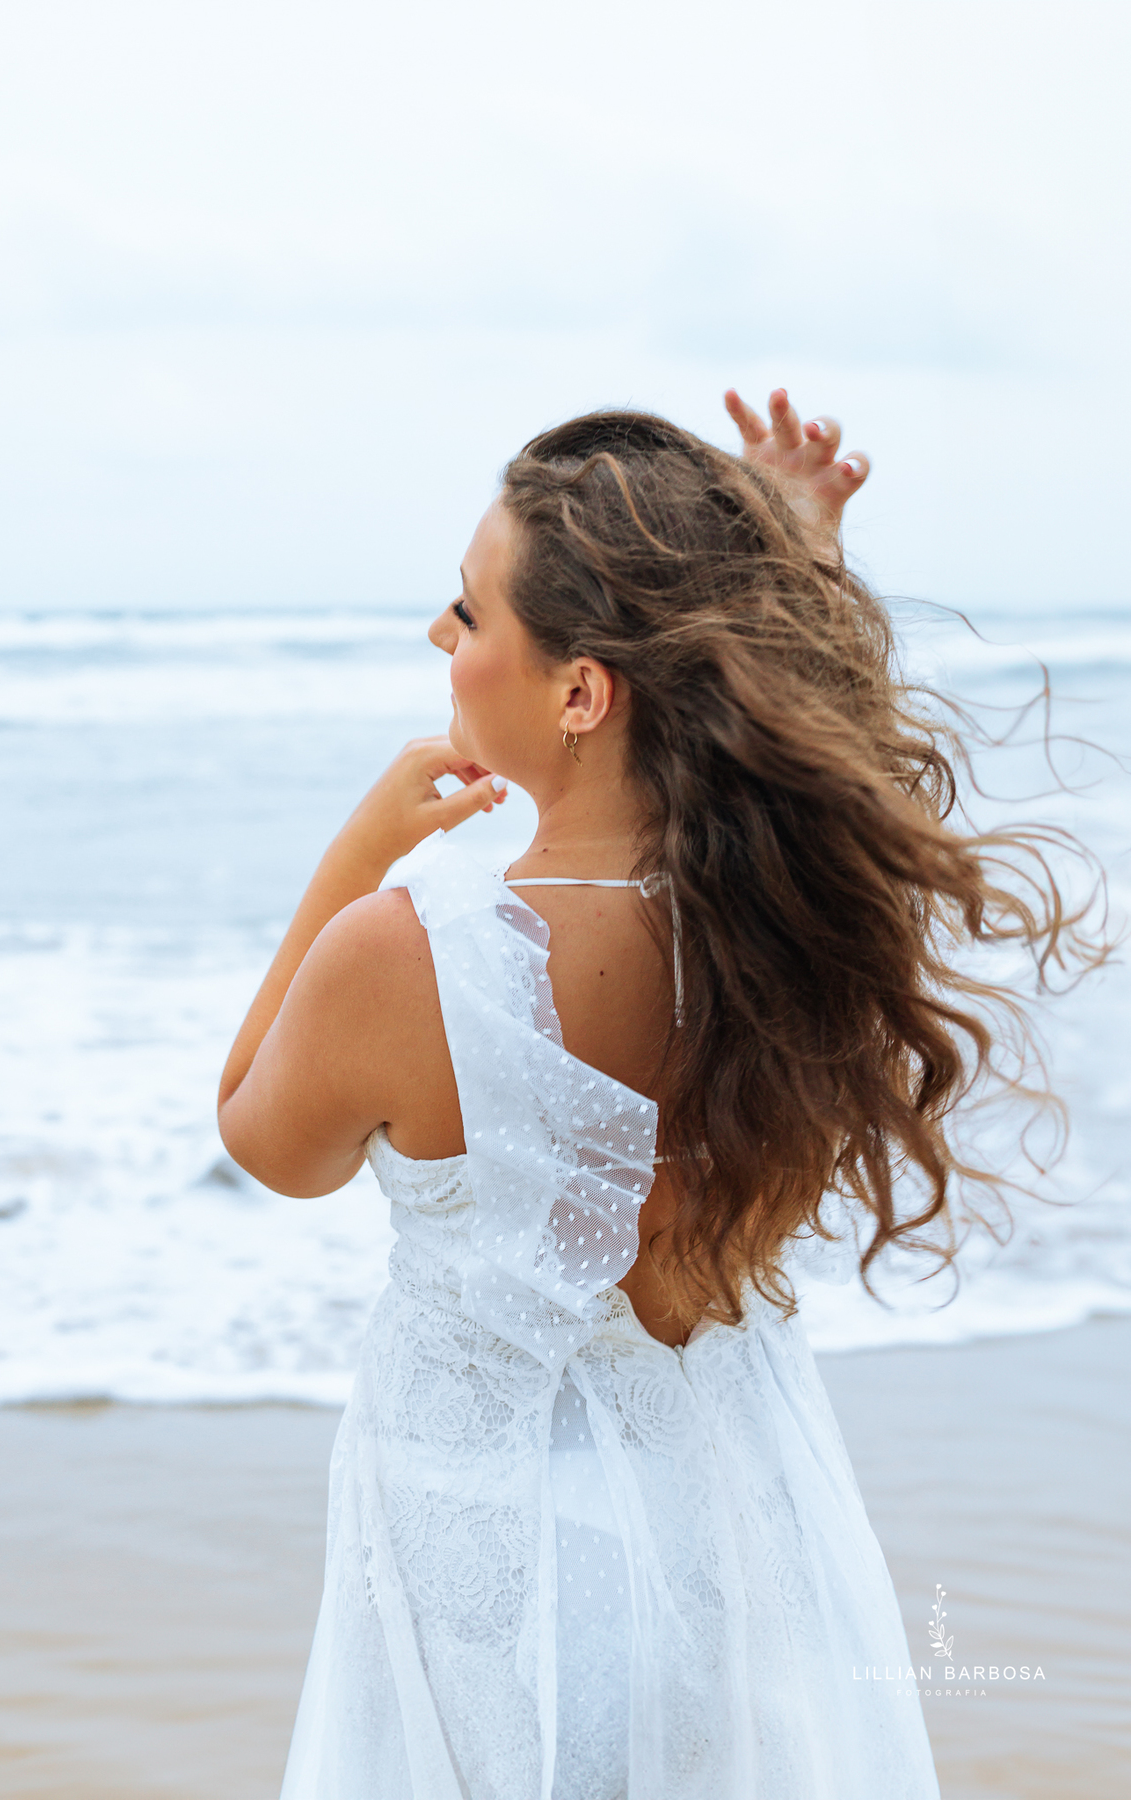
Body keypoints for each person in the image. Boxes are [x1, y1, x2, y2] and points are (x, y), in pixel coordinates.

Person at [218, 388, 1074, 1798]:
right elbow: (820, 750)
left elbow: (261, 1131)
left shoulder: (410, 951)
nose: (441, 636)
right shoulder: (789, 931)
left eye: (471, 610)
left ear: (580, 693)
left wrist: (359, 854)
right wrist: (790, 562)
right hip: (735, 1532)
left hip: (494, 1577)